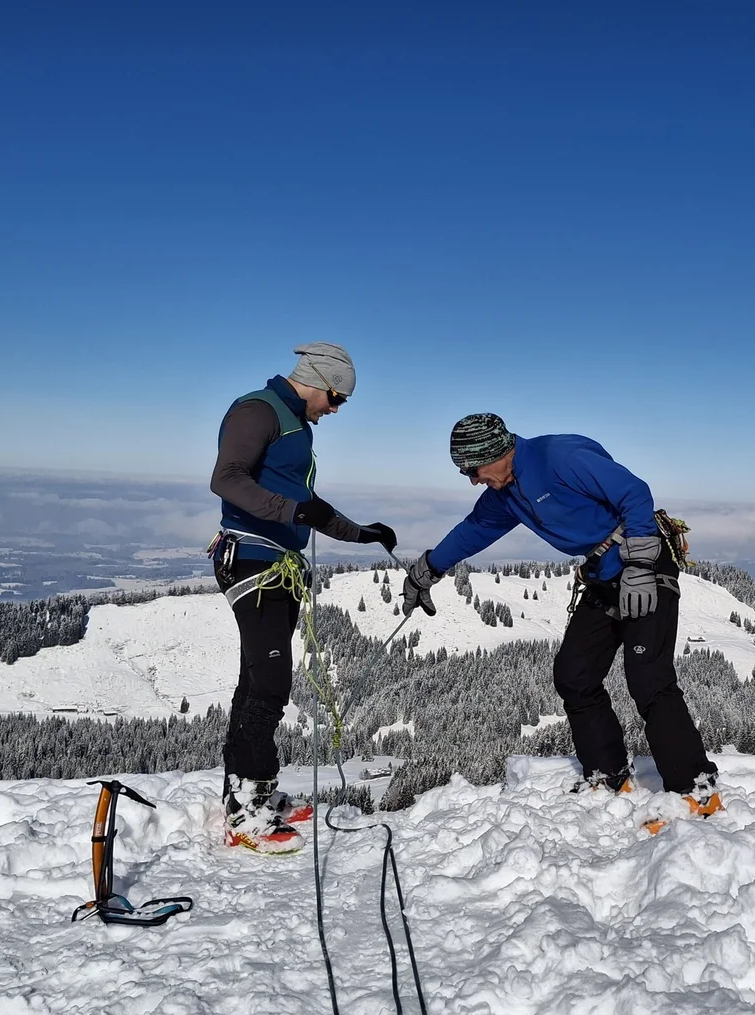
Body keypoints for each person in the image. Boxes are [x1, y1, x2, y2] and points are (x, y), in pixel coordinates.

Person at [401, 413, 721, 820]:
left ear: (495, 452)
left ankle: (697, 790)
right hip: (603, 577)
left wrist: (641, 565)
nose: (472, 480)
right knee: (574, 674)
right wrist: (428, 569)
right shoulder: (506, 494)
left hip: (644, 569)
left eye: (473, 469)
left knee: (649, 679)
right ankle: (608, 774)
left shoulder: (559, 457)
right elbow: (474, 530)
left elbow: (634, 492)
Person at [208, 342, 397, 853]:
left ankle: (250, 794)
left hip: (275, 563)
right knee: (269, 683)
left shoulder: (293, 423)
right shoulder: (258, 410)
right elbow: (226, 480)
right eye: (336, 397)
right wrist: (292, 512)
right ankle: (247, 812)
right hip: (252, 560)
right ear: (317, 380)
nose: (336, 408)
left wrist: (361, 533)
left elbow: (306, 504)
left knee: (256, 681)